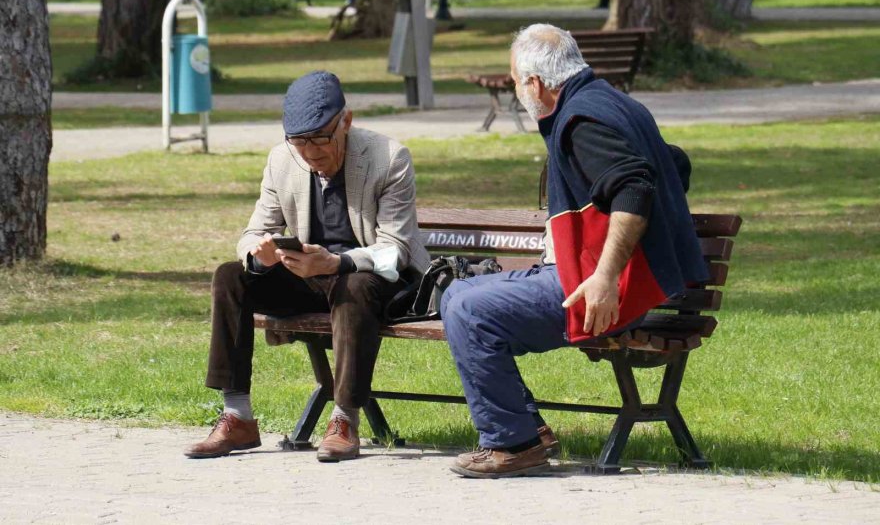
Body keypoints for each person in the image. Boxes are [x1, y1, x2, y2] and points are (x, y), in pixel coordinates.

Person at [441, 24, 708, 478]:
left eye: (514, 81)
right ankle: (524, 430)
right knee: (454, 295)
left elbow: (633, 186)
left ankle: (513, 444)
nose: (516, 91)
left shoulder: (582, 119)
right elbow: (673, 162)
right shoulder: (612, 100)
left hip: (611, 292)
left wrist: (605, 278)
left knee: (468, 309)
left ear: (536, 83)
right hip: (614, 279)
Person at [184, 71, 430, 462]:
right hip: (307, 273)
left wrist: (336, 261)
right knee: (230, 276)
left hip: (373, 276)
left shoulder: (388, 158)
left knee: (355, 284)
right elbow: (253, 232)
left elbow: (396, 249)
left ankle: (344, 419)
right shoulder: (283, 159)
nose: (310, 152)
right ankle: (238, 416)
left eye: (320, 139)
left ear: (346, 121)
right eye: (299, 141)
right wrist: (260, 257)